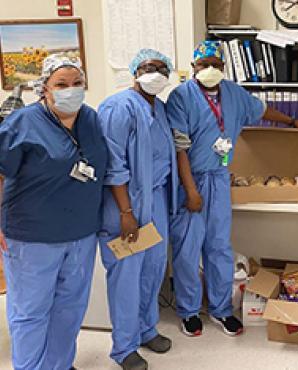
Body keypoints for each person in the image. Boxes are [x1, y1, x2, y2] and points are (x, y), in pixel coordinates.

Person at [167, 40, 298, 338]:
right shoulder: (181, 97)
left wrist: (293, 120)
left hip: (220, 177)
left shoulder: (233, 93)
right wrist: (191, 191)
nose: (210, 70)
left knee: (220, 246)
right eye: (203, 64)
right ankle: (189, 311)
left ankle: (221, 310)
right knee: (187, 249)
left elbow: (260, 110)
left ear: (224, 67)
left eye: (216, 65)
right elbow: (179, 148)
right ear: (194, 67)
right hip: (190, 179)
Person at [0, 54, 107, 370]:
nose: (70, 90)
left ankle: (58, 365)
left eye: (77, 84)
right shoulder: (21, 123)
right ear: (44, 88)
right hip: (32, 236)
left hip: (81, 233)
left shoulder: (90, 118)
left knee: (69, 308)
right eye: (61, 84)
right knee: (32, 311)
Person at [97, 49, 179, 370]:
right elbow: (112, 163)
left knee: (153, 267)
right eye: (148, 67)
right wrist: (126, 212)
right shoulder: (118, 108)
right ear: (135, 71)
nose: (155, 73)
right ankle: (124, 347)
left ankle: (147, 329)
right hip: (125, 202)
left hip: (155, 198)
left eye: (162, 69)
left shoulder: (159, 108)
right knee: (126, 275)